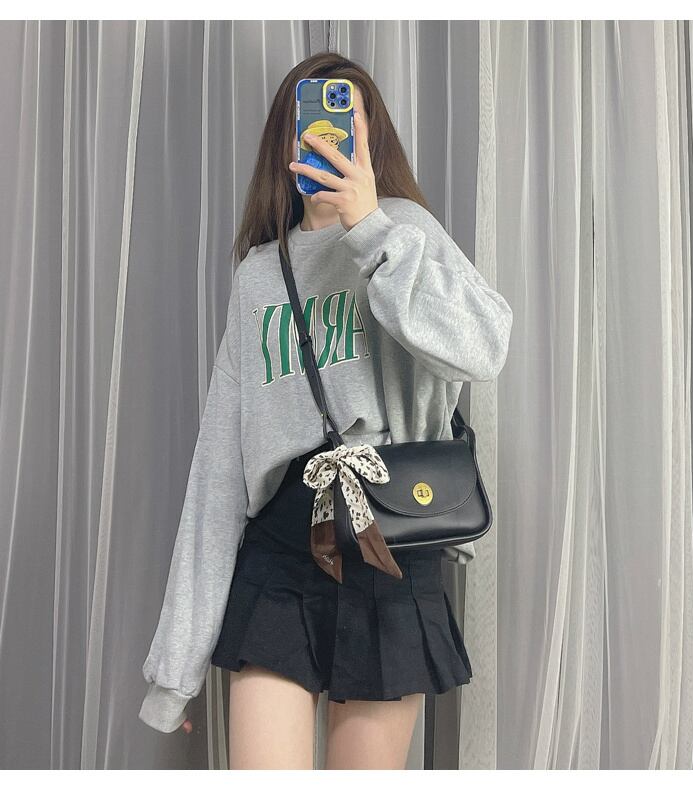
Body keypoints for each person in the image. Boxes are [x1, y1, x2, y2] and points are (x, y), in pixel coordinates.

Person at [138, 51, 513, 770]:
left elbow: (483, 349)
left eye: (346, 125)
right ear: (285, 144)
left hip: (389, 544)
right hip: (282, 548)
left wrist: (369, 227)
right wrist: (175, 670)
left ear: (371, 137)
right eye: (308, 127)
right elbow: (220, 469)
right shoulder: (259, 275)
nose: (326, 139)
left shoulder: (406, 233)